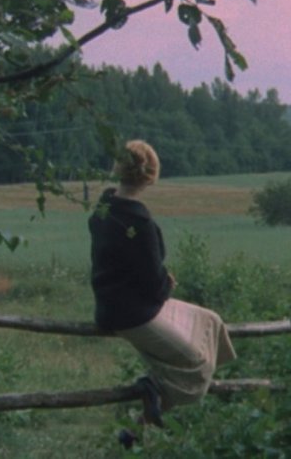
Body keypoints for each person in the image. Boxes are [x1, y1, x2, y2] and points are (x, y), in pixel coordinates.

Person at [88, 139, 236, 434]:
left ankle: (176, 384)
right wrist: (167, 283)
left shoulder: (104, 207)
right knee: (199, 365)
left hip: (113, 304)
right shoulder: (140, 224)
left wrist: (156, 281)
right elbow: (152, 282)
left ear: (119, 168)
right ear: (150, 175)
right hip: (133, 313)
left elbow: (119, 258)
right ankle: (150, 400)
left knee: (212, 321)